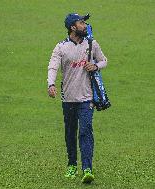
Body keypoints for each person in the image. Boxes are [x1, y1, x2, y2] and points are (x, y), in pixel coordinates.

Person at [47, 13, 108, 184]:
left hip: (86, 98)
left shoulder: (91, 43)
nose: (85, 25)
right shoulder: (61, 47)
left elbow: (104, 61)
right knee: (70, 133)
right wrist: (51, 84)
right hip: (68, 99)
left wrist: (95, 65)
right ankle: (72, 164)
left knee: (85, 131)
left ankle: (87, 168)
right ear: (73, 27)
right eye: (81, 23)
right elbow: (53, 67)